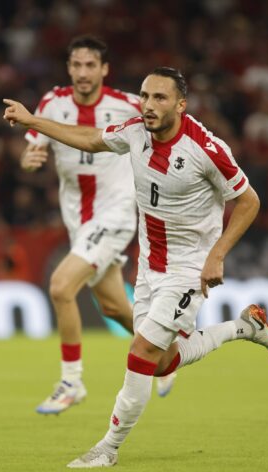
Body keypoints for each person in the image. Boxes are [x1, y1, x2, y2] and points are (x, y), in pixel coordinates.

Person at [4, 66, 268, 468]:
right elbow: (89, 138)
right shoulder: (135, 131)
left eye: (160, 98)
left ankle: (108, 448)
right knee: (163, 360)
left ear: (181, 105)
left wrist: (217, 254)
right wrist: (34, 122)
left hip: (188, 268)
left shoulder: (206, 148)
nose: (148, 105)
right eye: (145, 96)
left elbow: (249, 200)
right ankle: (245, 327)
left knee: (140, 352)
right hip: (150, 266)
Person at [21, 36, 176, 415]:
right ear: (68, 68)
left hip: (117, 213)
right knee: (114, 307)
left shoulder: (126, 105)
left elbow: (167, 134)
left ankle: (71, 381)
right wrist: (30, 156)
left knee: (60, 287)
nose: (83, 72)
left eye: (91, 65)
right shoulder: (52, 103)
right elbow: (34, 145)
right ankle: (169, 357)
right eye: (76, 65)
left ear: (105, 69)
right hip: (78, 219)